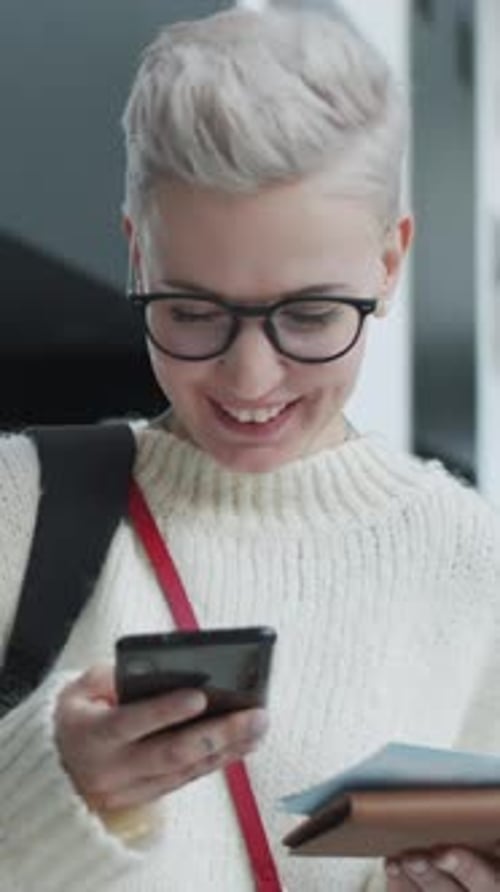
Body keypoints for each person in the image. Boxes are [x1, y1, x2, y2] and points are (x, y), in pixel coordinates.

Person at [0, 4, 499, 891]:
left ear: (390, 263)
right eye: (190, 311)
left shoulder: (472, 566)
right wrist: (45, 790)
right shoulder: (16, 507)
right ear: (136, 258)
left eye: (309, 316)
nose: (251, 380)